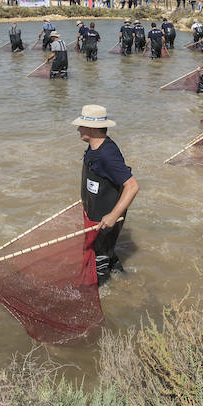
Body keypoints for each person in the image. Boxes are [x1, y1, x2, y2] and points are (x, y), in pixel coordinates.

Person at [73, 104, 139, 285]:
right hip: (96, 214)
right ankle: (127, 283)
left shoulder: (107, 155)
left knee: (98, 259)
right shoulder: (94, 148)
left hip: (106, 218)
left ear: (92, 129)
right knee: (105, 251)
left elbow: (132, 186)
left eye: (82, 125)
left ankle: (107, 297)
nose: (78, 129)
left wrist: (113, 215)